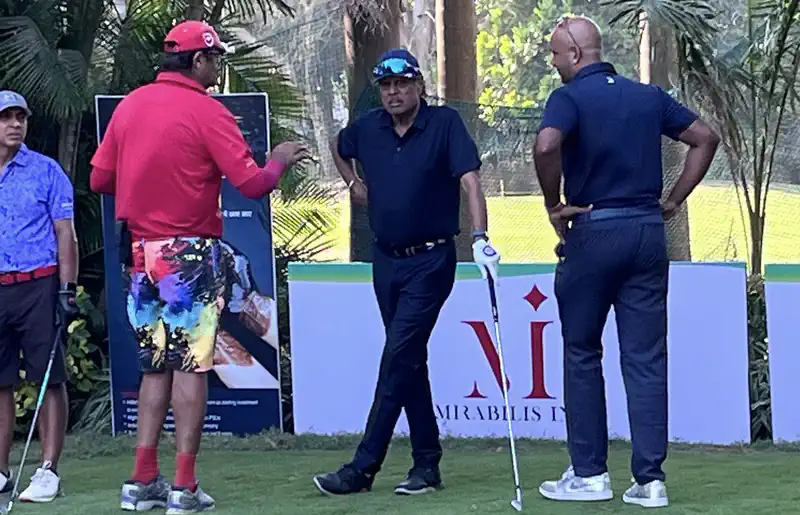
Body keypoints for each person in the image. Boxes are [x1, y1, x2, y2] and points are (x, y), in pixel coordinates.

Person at [89, 20, 308, 514]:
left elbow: (101, 178)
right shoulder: (207, 111)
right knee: (192, 368)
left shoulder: (131, 105)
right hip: (188, 254)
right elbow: (251, 185)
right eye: (216, 59)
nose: (218, 68)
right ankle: (183, 488)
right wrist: (276, 161)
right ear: (198, 61)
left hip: (141, 254)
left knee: (154, 369)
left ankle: (141, 480)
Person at [533, 16, 720, 508]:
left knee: (581, 352)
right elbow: (706, 138)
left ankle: (590, 475)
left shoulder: (568, 98)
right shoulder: (647, 96)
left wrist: (555, 204)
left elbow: (547, 144)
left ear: (575, 54)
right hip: (646, 233)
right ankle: (651, 481)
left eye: (554, 55)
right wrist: (674, 199)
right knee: (645, 359)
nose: (552, 64)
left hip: (594, 232)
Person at [312, 48, 501, 497]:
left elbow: (470, 181)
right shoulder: (369, 129)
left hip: (432, 260)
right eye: (386, 86)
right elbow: (340, 146)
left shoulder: (444, 124)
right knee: (409, 360)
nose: (394, 93)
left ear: (419, 85)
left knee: (398, 355)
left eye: (402, 84)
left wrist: (479, 236)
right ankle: (427, 465)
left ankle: (363, 467)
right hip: (386, 260)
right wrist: (353, 184)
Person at [0, 90, 80, 503]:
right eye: (6, 117)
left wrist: (67, 290)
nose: (15, 124)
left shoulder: (46, 171)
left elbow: (65, 234)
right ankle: (0, 471)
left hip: (39, 284)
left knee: (48, 378)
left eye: (21, 117)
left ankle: (48, 468)